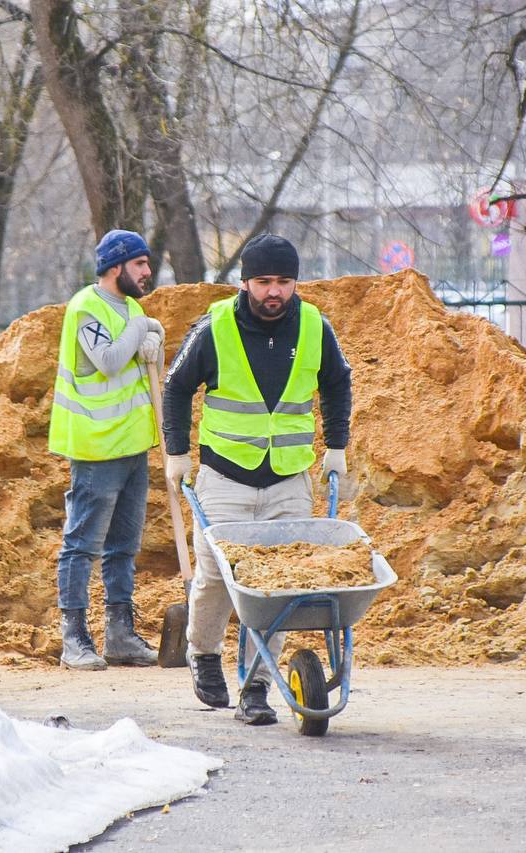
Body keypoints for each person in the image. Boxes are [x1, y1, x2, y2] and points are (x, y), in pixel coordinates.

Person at [161, 234, 352, 725]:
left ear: (295, 283)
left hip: (289, 478)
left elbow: (336, 383)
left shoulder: (314, 327)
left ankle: (256, 688)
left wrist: (335, 447)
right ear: (244, 282)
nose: (274, 292)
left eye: (284, 282)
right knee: (216, 581)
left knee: (276, 591)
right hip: (225, 476)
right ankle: (203, 653)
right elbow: (177, 387)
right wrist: (178, 454)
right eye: (264, 281)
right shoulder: (215, 328)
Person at [48, 229, 164, 670]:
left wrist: (151, 344)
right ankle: (74, 638)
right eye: (139, 264)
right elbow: (110, 361)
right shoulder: (85, 308)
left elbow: (134, 365)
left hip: (133, 445)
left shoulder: (131, 308)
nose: (147, 271)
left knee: (123, 546)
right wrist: (140, 331)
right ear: (116, 267)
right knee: (82, 544)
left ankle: (120, 634)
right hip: (97, 447)